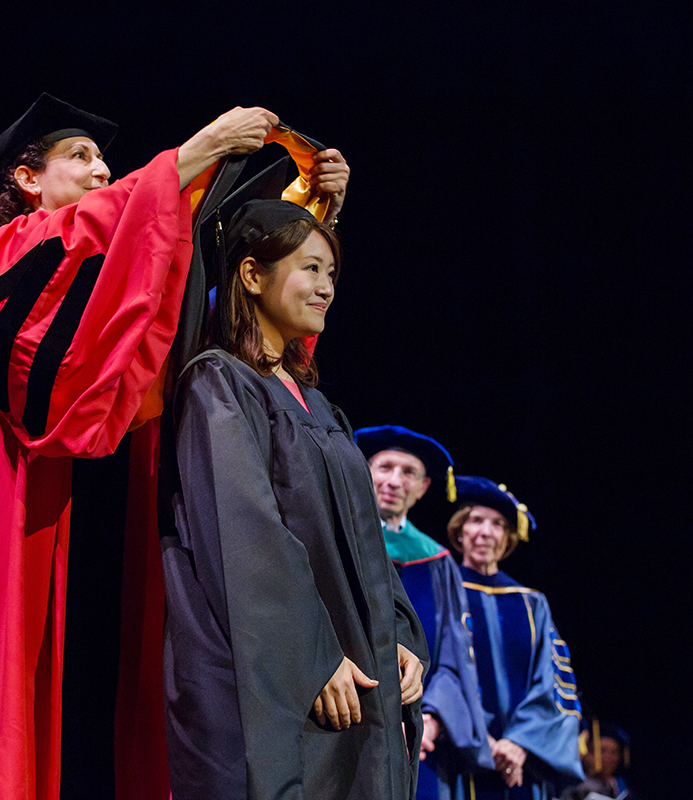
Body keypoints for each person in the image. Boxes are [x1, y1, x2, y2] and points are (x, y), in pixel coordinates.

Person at [0, 94, 350, 800]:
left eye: (103, 160)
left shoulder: (135, 265)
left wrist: (308, 205)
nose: (102, 170)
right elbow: (57, 386)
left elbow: (226, 316)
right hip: (18, 513)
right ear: (27, 178)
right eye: (79, 156)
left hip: (124, 518)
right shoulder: (12, 253)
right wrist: (200, 149)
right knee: (14, 722)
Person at [162, 199, 424, 799]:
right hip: (273, 681)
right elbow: (246, 533)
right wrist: (310, 655)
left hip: (355, 677)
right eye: (310, 269)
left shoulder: (323, 408)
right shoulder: (218, 382)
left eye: (331, 273)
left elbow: (365, 537)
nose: (327, 287)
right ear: (252, 275)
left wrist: (401, 639)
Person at [354, 426, 493, 800]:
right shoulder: (339, 540)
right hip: (349, 719)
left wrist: (428, 721)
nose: (394, 481)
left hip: (422, 738)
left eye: (408, 472)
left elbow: (454, 654)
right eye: (385, 467)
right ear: (364, 471)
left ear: (423, 487)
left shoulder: (436, 560)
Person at [446, 477, 584, 799]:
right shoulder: (443, 592)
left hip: (524, 762)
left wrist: (519, 742)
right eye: (476, 520)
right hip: (457, 755)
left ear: (508, 537)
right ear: (459, 531)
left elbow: (556, 681)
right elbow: (437, 670)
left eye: (497, 524)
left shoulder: (531, 603)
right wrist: (479, 738)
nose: (485, 532)